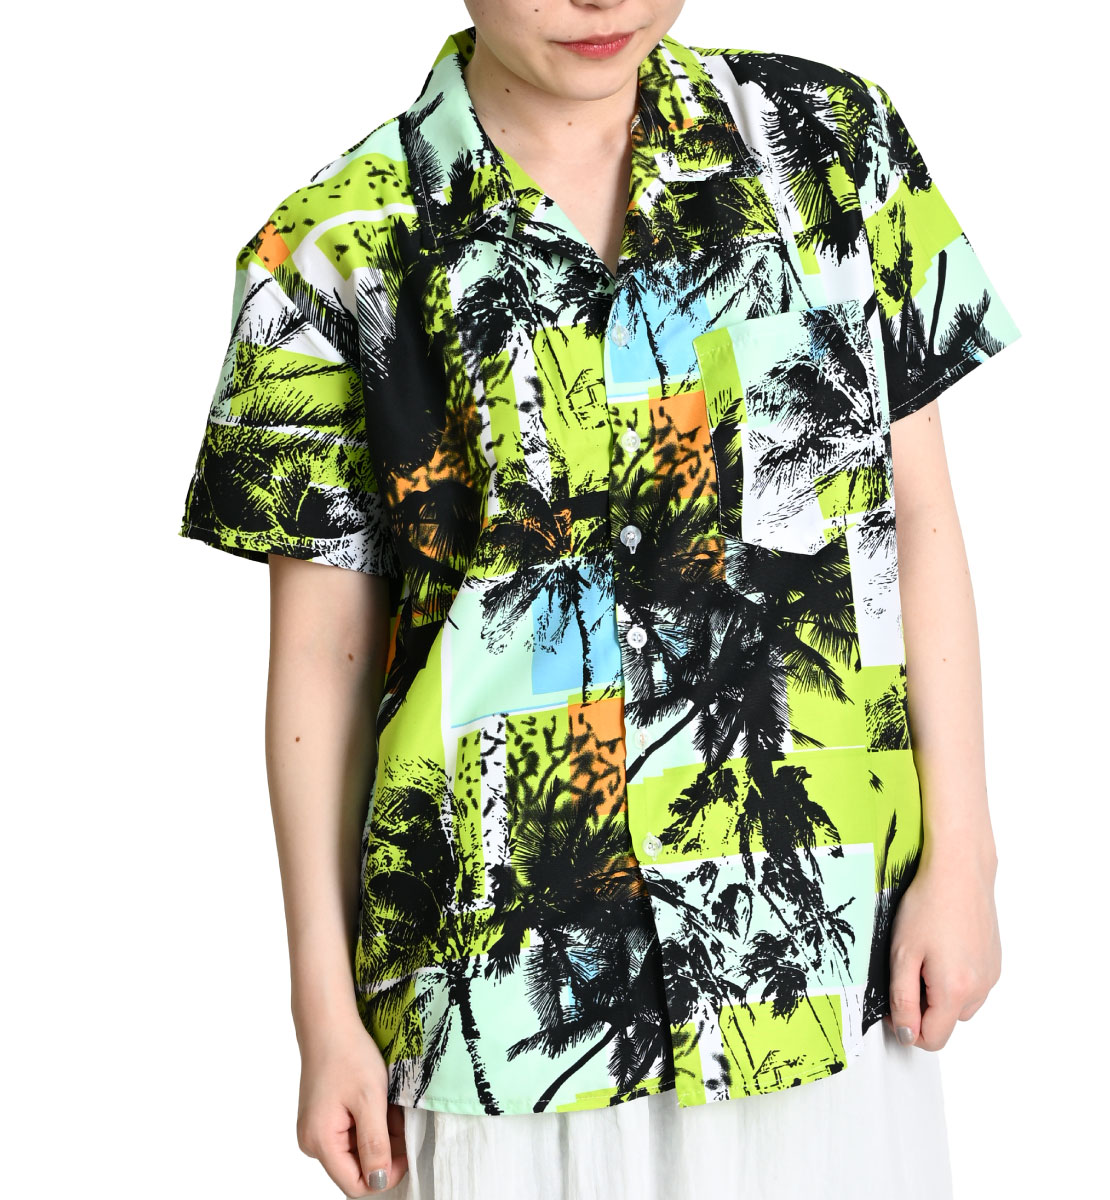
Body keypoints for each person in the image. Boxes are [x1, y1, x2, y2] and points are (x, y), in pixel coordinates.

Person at [178, 3, 1018, 1197]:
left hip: (816, 948)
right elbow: (322, 661)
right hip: (508, 999)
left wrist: (966, 856)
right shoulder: (330, 253)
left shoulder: (830, 145)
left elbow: (915, 515)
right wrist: (324, 1010)